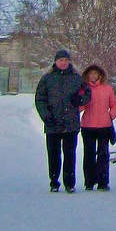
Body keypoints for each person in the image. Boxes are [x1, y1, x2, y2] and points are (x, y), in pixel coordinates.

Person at [34, 49, 84, 193]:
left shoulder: (76, 77)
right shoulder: (47, 78)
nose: (63, 63)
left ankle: (69, 183)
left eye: (65, 60)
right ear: (55, 62)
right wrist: (45, 116)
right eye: (60, 60)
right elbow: (40, 99)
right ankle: (54, 182)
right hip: (52, 123)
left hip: (71, 123)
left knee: (70, 154)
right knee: (53, 154)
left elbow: (86, 93)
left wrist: (80, 99)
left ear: (69, 62)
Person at [77, 64, 116, 191]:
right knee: (89, 155)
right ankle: (89, 182)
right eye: (91, 73)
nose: (93, 76)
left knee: (103, 155)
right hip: (87, 126)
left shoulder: (107, 89)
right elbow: (79, 106)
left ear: (100, 75)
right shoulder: (83, 89)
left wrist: (110, 115)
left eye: (96, 73)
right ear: (87, 75)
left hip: (104, 126)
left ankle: (103, 182)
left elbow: (114, 105)